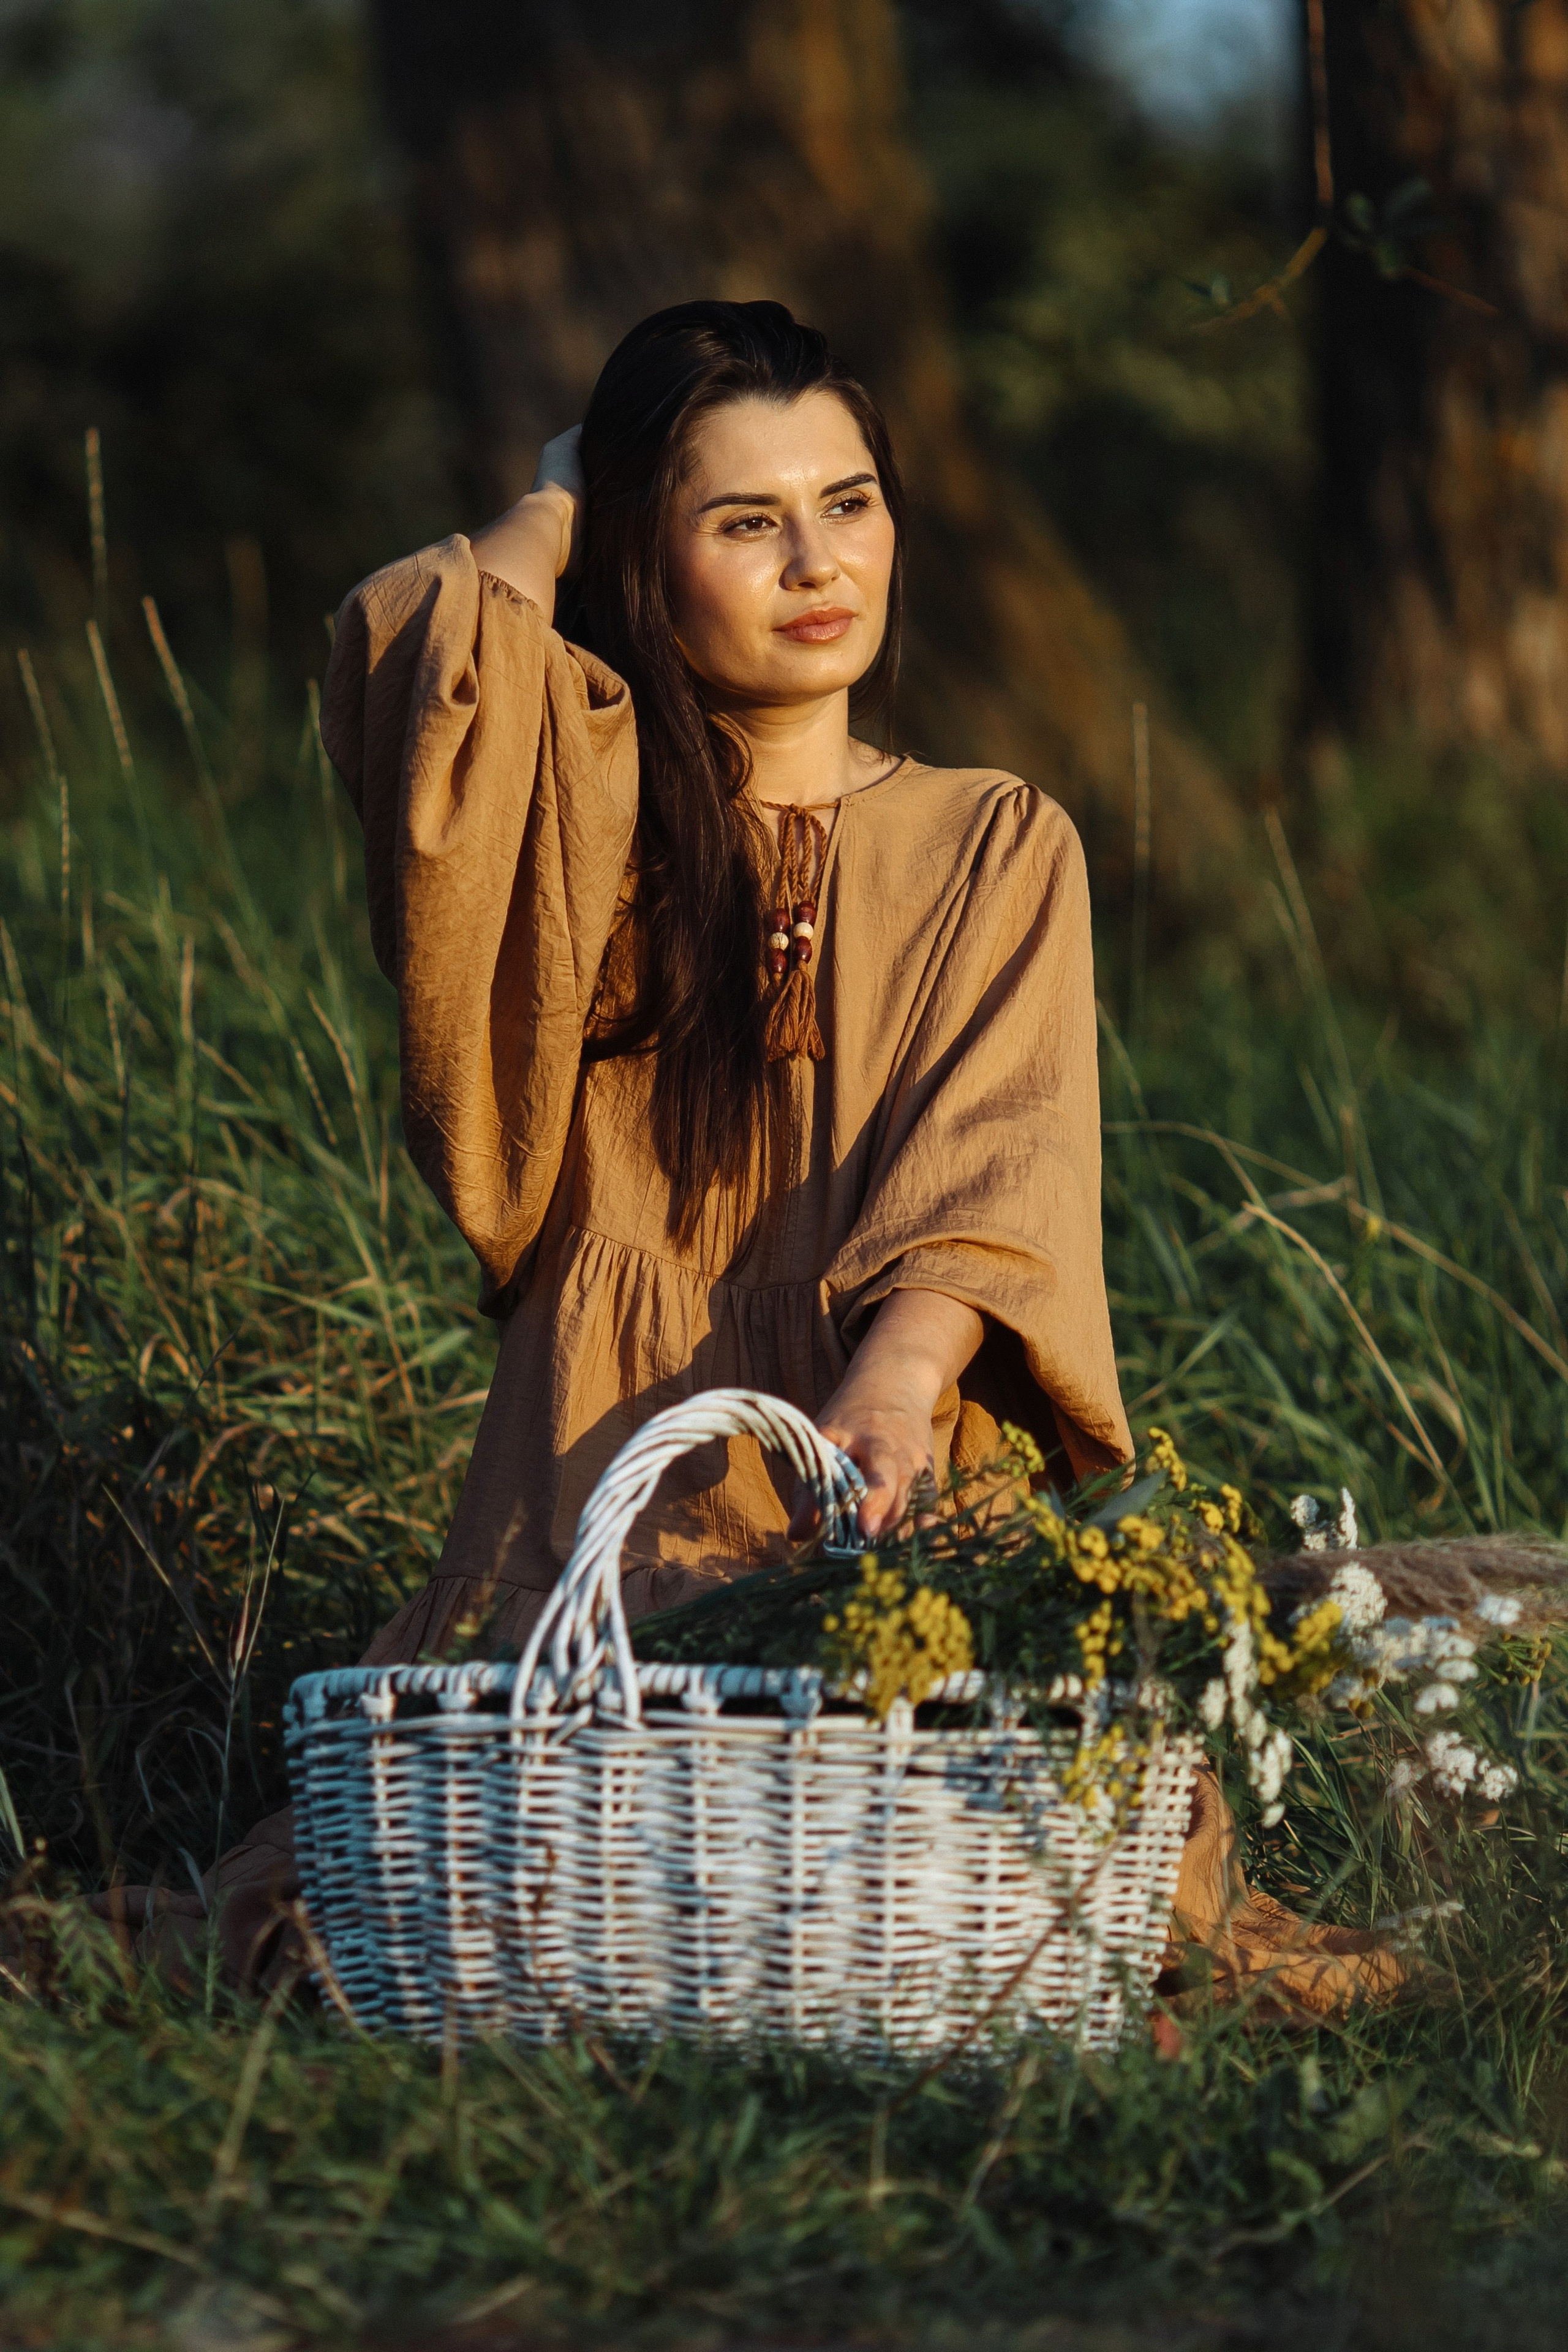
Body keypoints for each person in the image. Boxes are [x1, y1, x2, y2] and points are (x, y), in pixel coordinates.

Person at [114, 301, 1401, 2016]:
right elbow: (419, 665)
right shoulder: (582, 805)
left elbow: (998, 1150)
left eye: (849, 502)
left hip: (899, 1425)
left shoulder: (994, 836)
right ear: (654, 550)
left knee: (1056, 1897)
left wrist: (899, 1376)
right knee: (442, 1889)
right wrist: (566, 494)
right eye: (744, 522)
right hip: (604, 1432)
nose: (819, 563)